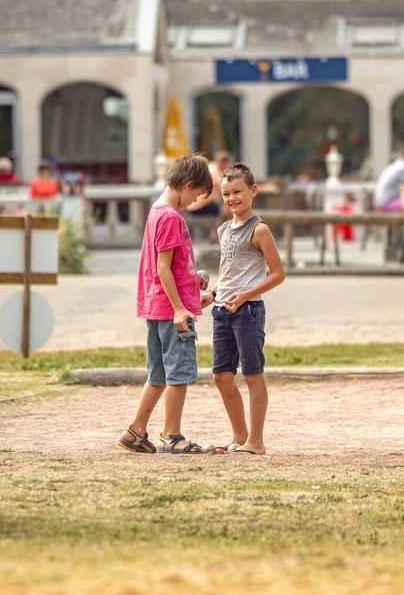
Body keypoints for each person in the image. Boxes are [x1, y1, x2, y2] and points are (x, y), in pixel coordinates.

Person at [118, 153, 217, 455]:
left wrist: (193, 282)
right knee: (179, 374)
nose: (193, 202)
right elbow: (163, 268)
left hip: (157, 306)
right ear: (187, 185)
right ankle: (172, 435)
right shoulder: (171, 216)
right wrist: (179, 308)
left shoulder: (156, 211)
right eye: (195, 196)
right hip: (172, 311)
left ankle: (136, 431)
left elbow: (170, 266)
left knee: (158, 375)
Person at [205, 163, 285, 456]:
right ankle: (239, 436)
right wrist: (212, 294)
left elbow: (278, 274)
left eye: (237, 192)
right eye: (226, 194)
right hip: (222, 310)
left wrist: (246, 296)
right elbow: (228, 273)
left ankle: (256, 441)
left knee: (252, 374)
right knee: (221, 376)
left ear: (253, 190)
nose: (232, 198)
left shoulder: (260, 230)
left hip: (248, 311)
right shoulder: (223, 229)